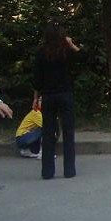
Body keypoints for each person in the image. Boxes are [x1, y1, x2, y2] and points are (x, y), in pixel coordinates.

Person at [33, 22, 81, 180]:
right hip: (65, 94)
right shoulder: (66, 51)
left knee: (48, 133)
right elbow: (82, 58)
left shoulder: (41, 52)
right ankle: (69, 170)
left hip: (48, 96)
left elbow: (37, 79)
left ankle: (47, 172)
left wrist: (35, 98)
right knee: (68, 132)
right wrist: (71, 44)